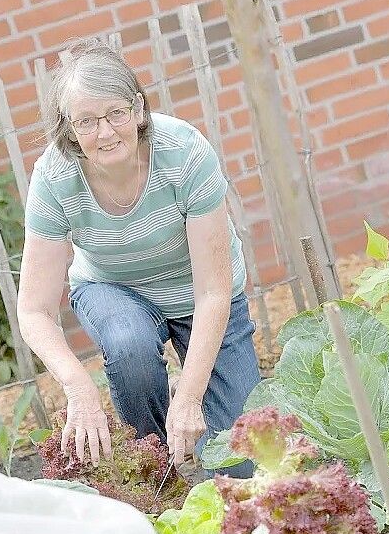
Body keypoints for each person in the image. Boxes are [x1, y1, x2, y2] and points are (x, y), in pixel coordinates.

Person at [15, 38, 260, 479]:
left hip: (198, 294)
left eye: (116, 113)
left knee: (243, 461)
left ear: (139, 110)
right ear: (69, 129)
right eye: (86, 121)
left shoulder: (184, 152)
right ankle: (156, 468)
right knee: (128, 345)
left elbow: (213, 292)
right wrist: (79, 388)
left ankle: (188, 437)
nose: (105, 132)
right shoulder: (55, 176)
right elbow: (33, 310)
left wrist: (187, 398)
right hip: (114, 288)